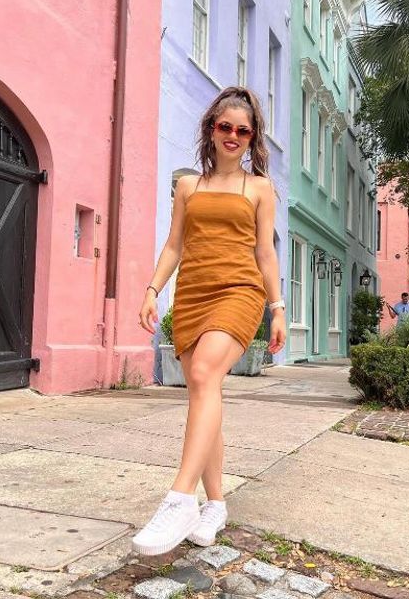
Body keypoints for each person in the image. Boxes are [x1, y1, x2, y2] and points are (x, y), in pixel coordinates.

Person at [135, 87, 286, 555]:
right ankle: (216, 504)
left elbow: (265, 251)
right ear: (211, 129)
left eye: (244, 130)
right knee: (205, 391)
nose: (234, 136)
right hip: (193, 295)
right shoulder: (188, 186)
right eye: (226, 127)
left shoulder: (259, 188)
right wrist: (152, 290)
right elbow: (175, 245)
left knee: (202, 374)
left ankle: (181, 498)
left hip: (240, 292)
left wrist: (277, 307)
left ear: (252, 137)